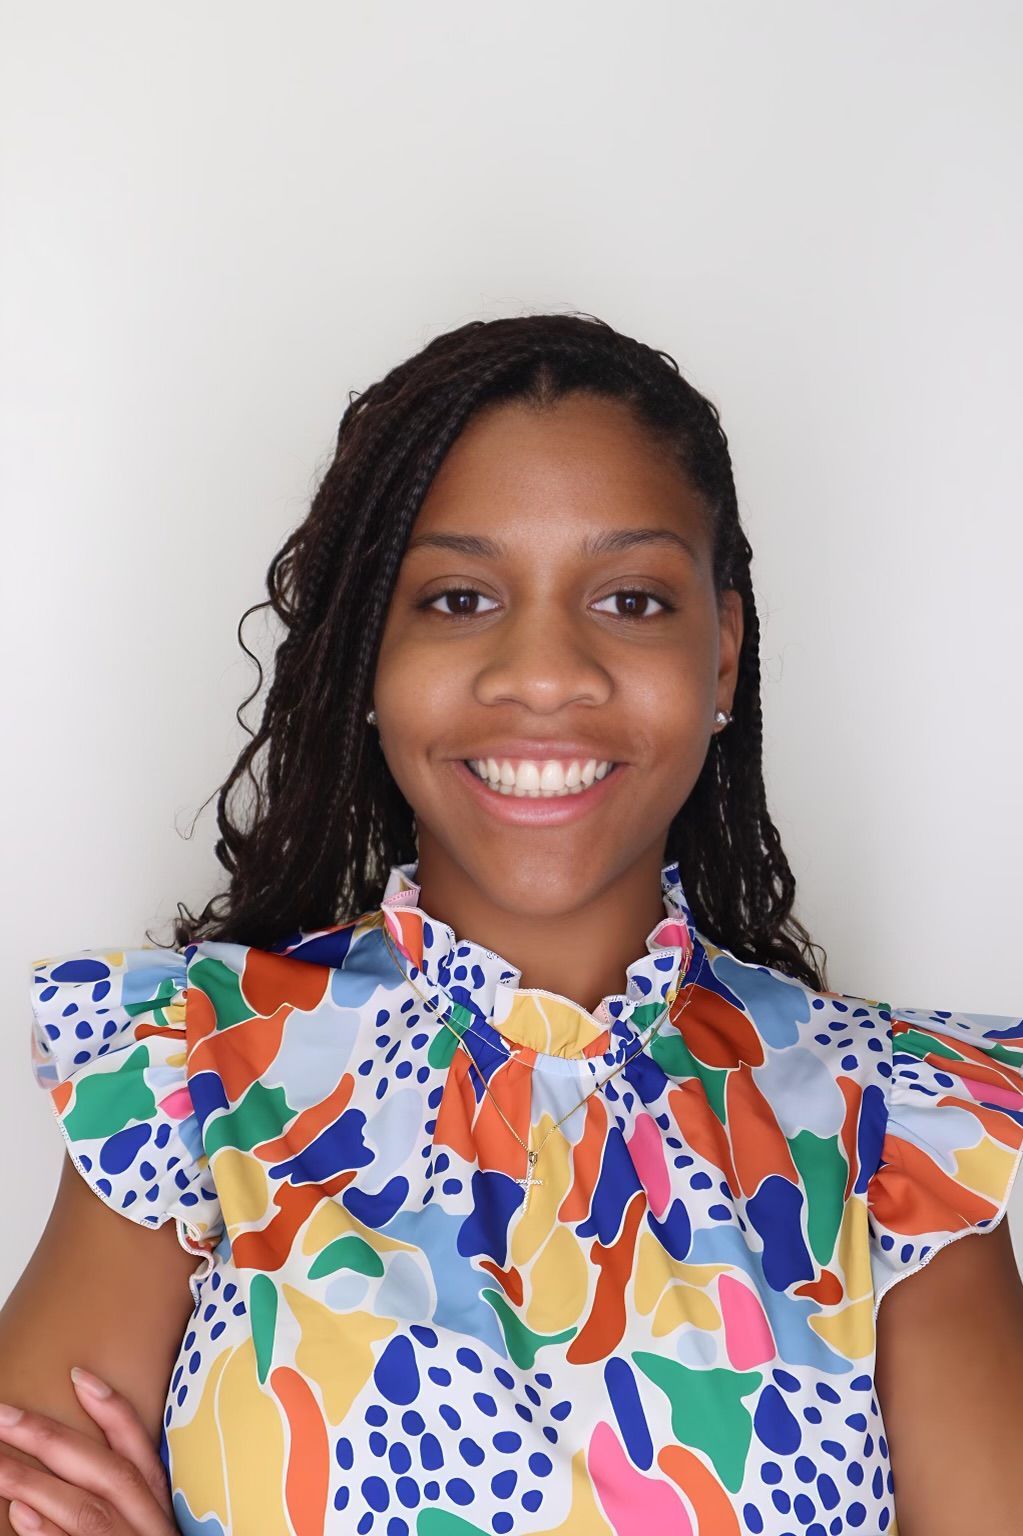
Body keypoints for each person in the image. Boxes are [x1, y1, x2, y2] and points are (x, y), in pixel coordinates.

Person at [2, 313, 1022, 1536]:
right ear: (368, 659)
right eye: (460, 597)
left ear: (723, 657)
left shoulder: (901, 1137)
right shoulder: (189, 1072)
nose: (544, 673)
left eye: (632, 598)